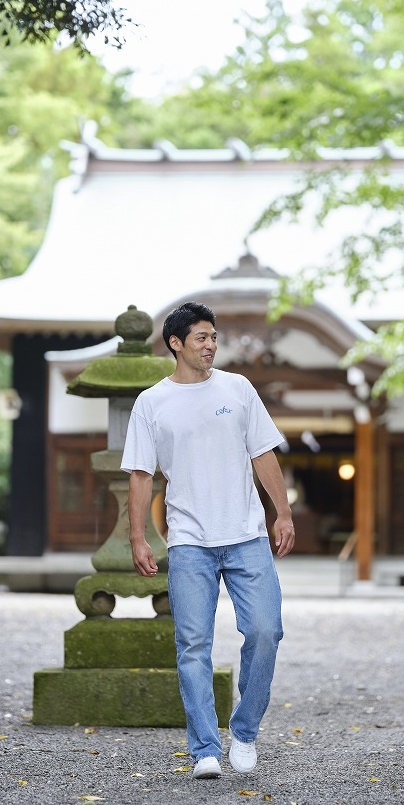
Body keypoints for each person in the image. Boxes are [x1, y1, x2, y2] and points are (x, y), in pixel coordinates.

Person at [122, 301, 294, 780]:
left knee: (265, 631)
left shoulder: (238, 389)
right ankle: (204, 748)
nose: (211, 345)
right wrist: (139, 538)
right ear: (175, 343)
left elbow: (263, 453)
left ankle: (243, 731)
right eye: (201, 337)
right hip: (189, 540)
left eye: (214, 337)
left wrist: (283, 512)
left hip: (246, 535)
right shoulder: (152, 402)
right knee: (192, 645)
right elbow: (140, 475)